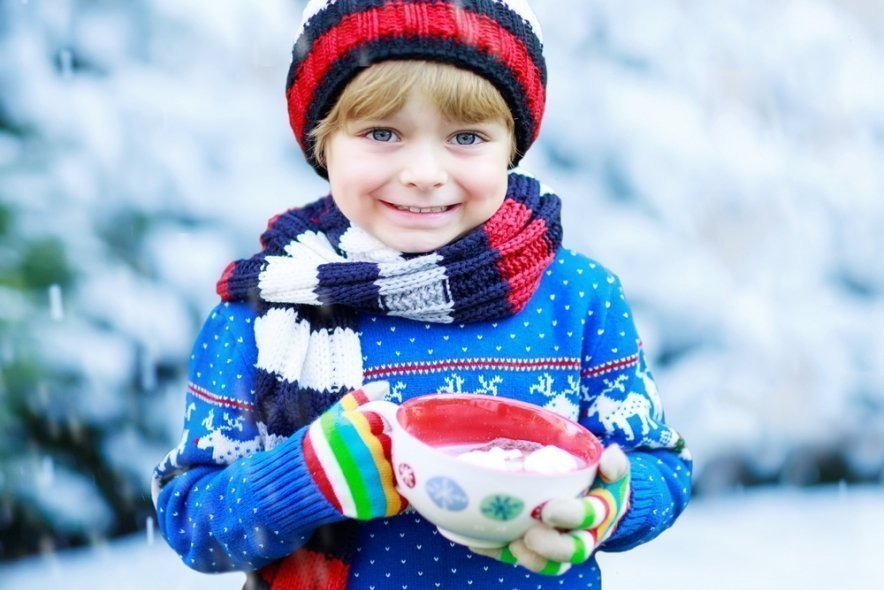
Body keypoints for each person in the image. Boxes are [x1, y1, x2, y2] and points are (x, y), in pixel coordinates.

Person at [151, 1, 692, 588]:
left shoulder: (577, 298)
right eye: (382, 132)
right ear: (322, 140)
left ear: (510, 146)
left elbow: (662, 465)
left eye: (465, 136)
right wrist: (308, 477)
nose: (424, 172)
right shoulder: (261, 316)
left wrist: (607, 504)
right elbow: (191, 518)